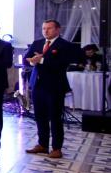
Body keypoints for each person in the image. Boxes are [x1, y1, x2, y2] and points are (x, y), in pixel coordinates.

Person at [25, 19, 82, 159]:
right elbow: (26, 58)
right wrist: (32, 62)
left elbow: (62, 63)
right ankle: (42, 144)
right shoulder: (37, 43)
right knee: (40, 117)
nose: (45, 31)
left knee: (55, 117)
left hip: (55, 86)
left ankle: (57, 148)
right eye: (44, 28)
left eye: (49, 28)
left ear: (57, 29)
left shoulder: (65, 45)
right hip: (37, 85)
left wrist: (42, 60)